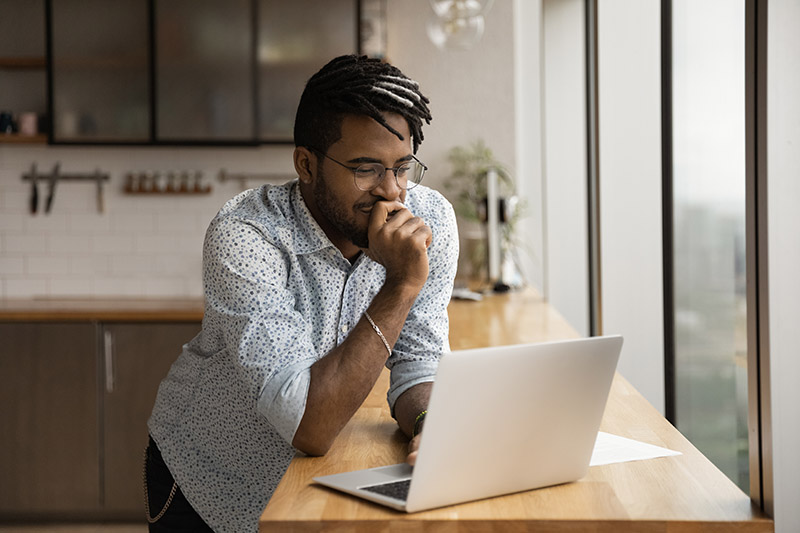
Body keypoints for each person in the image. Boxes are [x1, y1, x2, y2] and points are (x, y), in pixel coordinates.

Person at [144, 54, 459, 532]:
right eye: (366, 168)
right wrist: (400, 285)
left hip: (309, 489)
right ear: (306, 164)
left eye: (403, 166)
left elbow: (419, 361)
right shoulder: (248, 235)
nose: (392, 192)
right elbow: (308, 426)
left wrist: (428, 426)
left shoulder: (430, 220)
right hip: (210, 481)